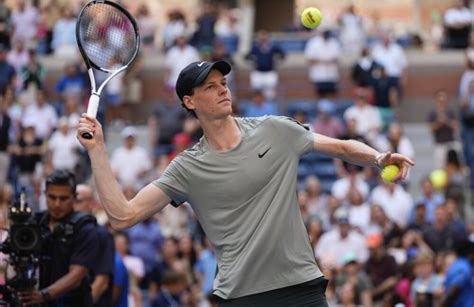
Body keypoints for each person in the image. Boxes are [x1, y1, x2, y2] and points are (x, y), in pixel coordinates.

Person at [77, 60, 414, 306]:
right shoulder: (187, 167)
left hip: (302, 290)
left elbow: (341, 147)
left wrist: (378, 157)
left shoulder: (275, 129)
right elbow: (122, 215)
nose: (223, 89)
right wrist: (98, 150)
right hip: (241, 297)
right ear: (189, 102)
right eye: (210, 86)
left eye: (223, 82)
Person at [16, 170, 100, 306]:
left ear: (74, 197)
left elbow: (77, 275)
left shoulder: (85, 227)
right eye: (52, 197)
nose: (56, 204)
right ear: (44, 194)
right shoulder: (34, 223)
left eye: (63, 198)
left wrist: (44, 295)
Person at [75, 183, 116, 307]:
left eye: (78, 201)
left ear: (92, 203)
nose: (73, 206)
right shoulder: (65, 235)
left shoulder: (101, 235)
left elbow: (101, 283)